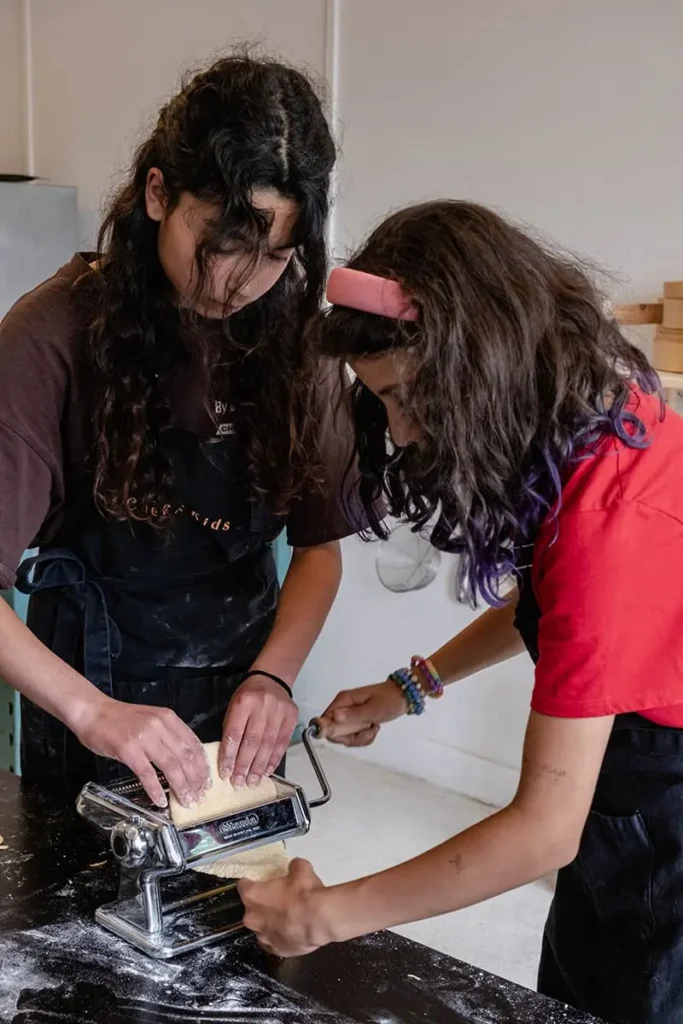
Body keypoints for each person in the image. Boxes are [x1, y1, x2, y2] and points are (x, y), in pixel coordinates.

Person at [238, 200, 683, 1024]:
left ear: (481, 361)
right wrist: (409, 688)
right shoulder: (592, 425)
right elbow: (554, 602)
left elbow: (543, 833)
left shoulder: (615, 531)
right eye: (383, 406)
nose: (400, 434)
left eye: (409, 397)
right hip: (621, 823)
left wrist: (327, 914)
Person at [0, 54, 360, 809]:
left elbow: (319, 546)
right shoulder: (51, 334)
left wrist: (274, 675)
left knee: (229, 903)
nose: (241, 281)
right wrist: (91, 711)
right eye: (223, 242)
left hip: (242, 684)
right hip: (91, 687)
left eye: (275, 255)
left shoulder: (295, 332)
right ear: (158, 193)